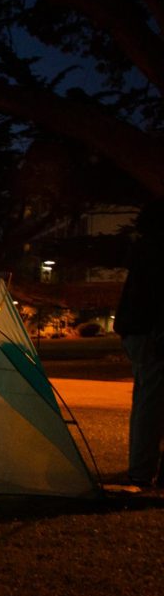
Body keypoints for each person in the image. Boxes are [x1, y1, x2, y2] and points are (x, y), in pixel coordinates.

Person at [114, 199, 164, 490]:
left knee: (148, 399)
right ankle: (142, 471)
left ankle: (143, 469)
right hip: (150, 332)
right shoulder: (156, 250)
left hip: (139, 330)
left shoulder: (145, 248)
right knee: (151, 401)